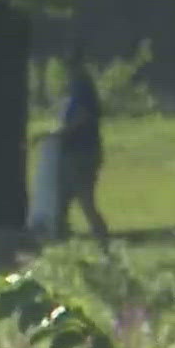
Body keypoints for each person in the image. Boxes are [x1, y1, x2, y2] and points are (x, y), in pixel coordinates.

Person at [57, 47, 110, 245]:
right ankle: (62, 243)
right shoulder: (76, 87)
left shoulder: (82, 87)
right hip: (74, 151)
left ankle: (103, 241)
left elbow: (83, 117)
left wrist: (63, 133)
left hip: (82, 152)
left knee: (85, 199)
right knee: (62, 201)